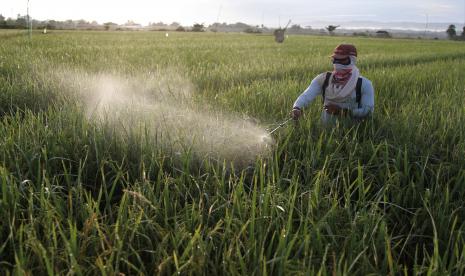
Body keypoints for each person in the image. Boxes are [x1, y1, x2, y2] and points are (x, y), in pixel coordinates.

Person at [291, 44, 374, 125]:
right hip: (325, 131)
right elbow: (306, 95)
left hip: (353, 133)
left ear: (352, 60)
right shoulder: (323, 79)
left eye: (342, 60)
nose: (337, 63)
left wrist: (342, 112)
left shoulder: (363, 84)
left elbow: (368, 110)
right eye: (335, 60)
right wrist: (297, 107)